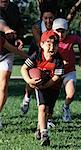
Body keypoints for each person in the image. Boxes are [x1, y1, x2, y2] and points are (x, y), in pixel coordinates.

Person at [21, 30, 64, 146]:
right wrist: (29, 80)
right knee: (43, 108)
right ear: (42, 44)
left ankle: (39, 128)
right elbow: (24, 68)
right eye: (48, 43)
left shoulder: (58, 59)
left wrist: (45, 85)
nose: (52, 47)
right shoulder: (37, 55)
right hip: (40, 86)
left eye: (55, 44)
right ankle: (45, 134)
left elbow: (57, 77)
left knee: (48, 112)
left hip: (53, 87)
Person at [21, 5, 56, 128]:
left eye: (51, 18)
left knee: (52, 87)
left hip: (50, 55)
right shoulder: (36, 27)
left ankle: (49, 117)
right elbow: (40, 44)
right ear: (42, 18)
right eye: (46, 18)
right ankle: (27, 97)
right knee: (33, 80)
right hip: (38, 54)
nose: (48, 21)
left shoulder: (57, 28)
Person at [52, 18, 81, 122]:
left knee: (71, 95)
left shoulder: (72, 39)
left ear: (67, 31)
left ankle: (66, 107)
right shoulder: (50, 40)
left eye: (63, 31)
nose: (60, 34)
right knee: (51, 97)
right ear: (53, 31)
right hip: (54, 72)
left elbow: (80, 41)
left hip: (69, 71)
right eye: (57, 31)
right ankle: (48, 117)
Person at [0, 0, 25, 129]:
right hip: (4, 46)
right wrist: (7, 29)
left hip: (6, 53)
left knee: (3, 86)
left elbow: (19, 25)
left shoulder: (14, 8)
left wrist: (19, 37)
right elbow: (0, 23)